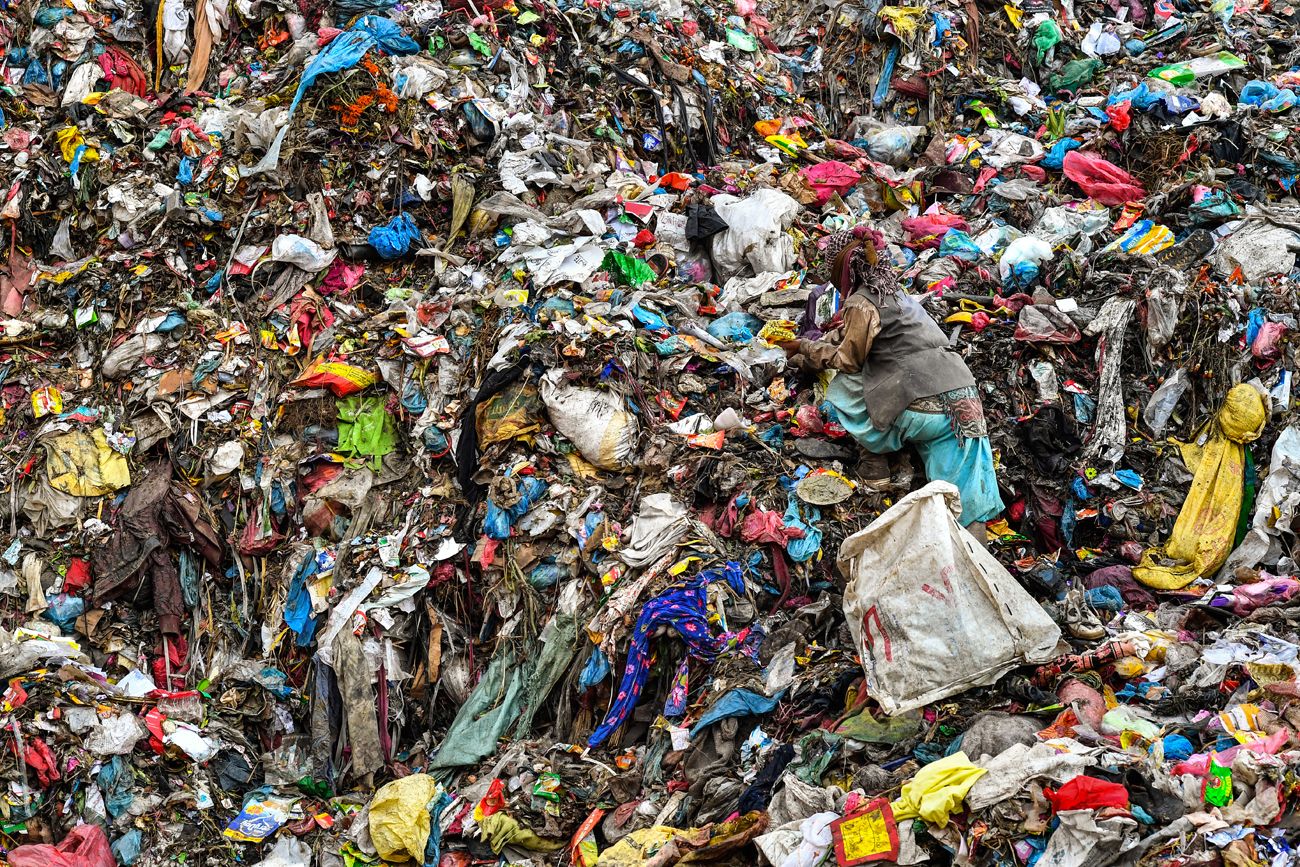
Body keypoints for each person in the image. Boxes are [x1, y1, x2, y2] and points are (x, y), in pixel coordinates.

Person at [777, 226, 1003, 540]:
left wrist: (804, 348)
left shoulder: (860, 302)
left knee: (846, 382)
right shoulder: (898, 295)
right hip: (965, 401)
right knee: (964, 506)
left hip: (920, 407)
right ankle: (978, 560)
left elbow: (848, 359)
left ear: (844, 269)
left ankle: (874, 463)